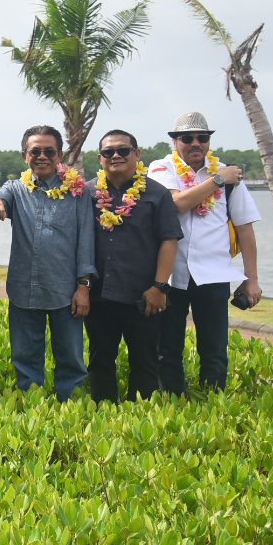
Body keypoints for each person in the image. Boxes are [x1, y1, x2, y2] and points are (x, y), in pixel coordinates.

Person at [147, 111, 261, 392]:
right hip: (170, 275)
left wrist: (252, 278)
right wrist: (218, 181)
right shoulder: (161, 169)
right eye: (188, 138)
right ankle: (172, 406)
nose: (196, 143)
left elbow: (245, 229)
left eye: (203, 137)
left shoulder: (226, 172)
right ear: (175, 142)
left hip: (213, 274)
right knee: (166, 350)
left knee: (214, 350)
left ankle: (213, 406)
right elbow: (176, 205)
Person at [0, 125, 95, 400]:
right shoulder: (16, 188)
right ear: (25, 155)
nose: (42, 156)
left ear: (60, 155)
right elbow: (0, 198)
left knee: (71, 359)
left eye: (49, 151)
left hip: (65, 290)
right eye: (35, 151)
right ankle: (31, 410)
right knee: (25, 359)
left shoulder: (77, 193)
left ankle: (71, 413)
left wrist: (84, 286)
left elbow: (86, 242)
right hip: (24, 289)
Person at [86, 130, 181, 402]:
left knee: (145, 359)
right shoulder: (87, 193)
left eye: (123, 151)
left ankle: (138, 419)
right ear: (100, 158)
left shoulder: (156, 193)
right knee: (100, 357)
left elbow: (169, 240)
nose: (116, 156)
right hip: (99, 294)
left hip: (143, 295)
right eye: (108, 152)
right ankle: (103, 414)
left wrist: (159, 286)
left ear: (137, 155)